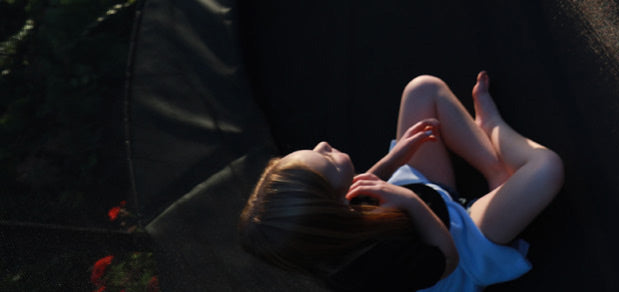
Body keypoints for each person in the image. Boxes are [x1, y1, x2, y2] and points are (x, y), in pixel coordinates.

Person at [239, 73, 564, 292]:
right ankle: (492, 126)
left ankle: (496, 174)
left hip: (420, 196)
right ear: (334, 206)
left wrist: (398, 158)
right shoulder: (374, 266)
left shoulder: (333, 218)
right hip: (461, 243)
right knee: (547, 168)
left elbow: (365, 184)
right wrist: (410, 202)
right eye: (324, 159)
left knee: (422, 89)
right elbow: (446, 260)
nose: (323, 145)